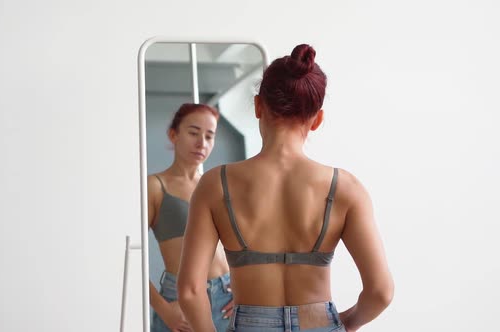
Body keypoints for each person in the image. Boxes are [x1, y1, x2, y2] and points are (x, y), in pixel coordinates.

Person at [177, 45, 394, 332]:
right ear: (317, 120)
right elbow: (381, 292)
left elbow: (190, 290)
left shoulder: (215, 184)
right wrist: (344, 324)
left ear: (257, 106)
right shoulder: (346, 189)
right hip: (319, 323)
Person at [148, 103, 234, 332]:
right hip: (179, 303)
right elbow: (133, 257)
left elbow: (242, 244)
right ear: (173, 134)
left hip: (227, 298)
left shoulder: (216, 185)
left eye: (209, 136)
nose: (201, 143)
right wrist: (164, 310)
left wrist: (245, 290)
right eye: (194, 133)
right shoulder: (155, 186)